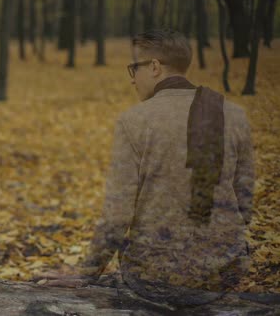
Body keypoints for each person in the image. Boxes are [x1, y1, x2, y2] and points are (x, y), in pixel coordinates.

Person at [47, 29, 254, 306]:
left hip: (154, 281)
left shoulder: (134, 121)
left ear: (155, 67)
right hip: (222, 276)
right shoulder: (233, 114)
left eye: (134, 67)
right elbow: (244, 204)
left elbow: (118, 214)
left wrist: (87, 272)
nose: (132, 78)